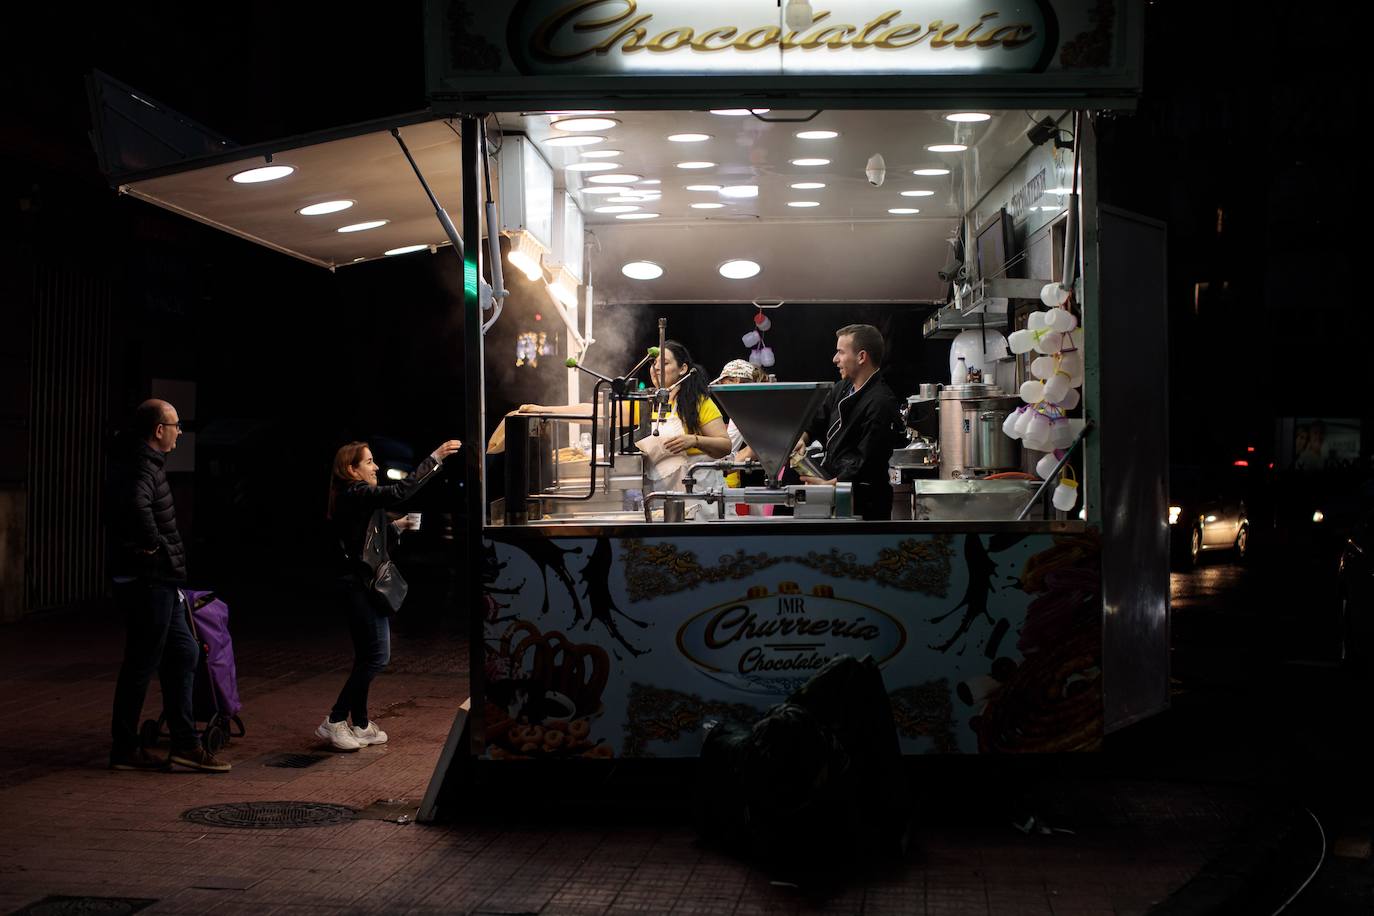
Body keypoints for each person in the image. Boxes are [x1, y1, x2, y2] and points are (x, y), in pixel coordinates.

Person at [108, 398, 229, 772]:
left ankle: (184, 744)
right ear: (159, 430)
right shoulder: (142, 465)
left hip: (163, 582)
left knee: (184, 653)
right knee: (142, 663)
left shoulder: (148, 463)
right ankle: (126, 748)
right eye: (175, 425)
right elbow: (137, 507)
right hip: (151, 582)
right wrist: (153, 547)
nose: (180, 431)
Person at [320, 437, 462, 750]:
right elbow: (400, 491)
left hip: (358, 584)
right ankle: (334, 720)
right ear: (352, 469)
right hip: (359, 587)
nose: (376, 467)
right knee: (377, 657)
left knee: (366, 658)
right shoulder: (355, 492)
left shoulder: (352, 496)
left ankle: (359, 724)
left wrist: (399, 527)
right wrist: (434, 458)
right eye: (369, 462)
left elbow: (365, 541)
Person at [799, 324, 906, 521]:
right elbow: (818, 420)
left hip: (866, 501)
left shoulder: (881, 402)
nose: (835, 359)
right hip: (838, 490)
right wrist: (803, 438)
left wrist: (830, 485)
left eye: (840, 352)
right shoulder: (842, 387)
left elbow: (867, 461)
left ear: (861, 357)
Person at [642, 340, 732, 514]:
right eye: (653, 364)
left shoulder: (699, 403)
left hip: (703, 497)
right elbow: (601, 413)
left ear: (683, 369)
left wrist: (694, 440)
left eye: (665, 363)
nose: (656, 369)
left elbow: (725, 446)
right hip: (662, 498)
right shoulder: (645, 404)